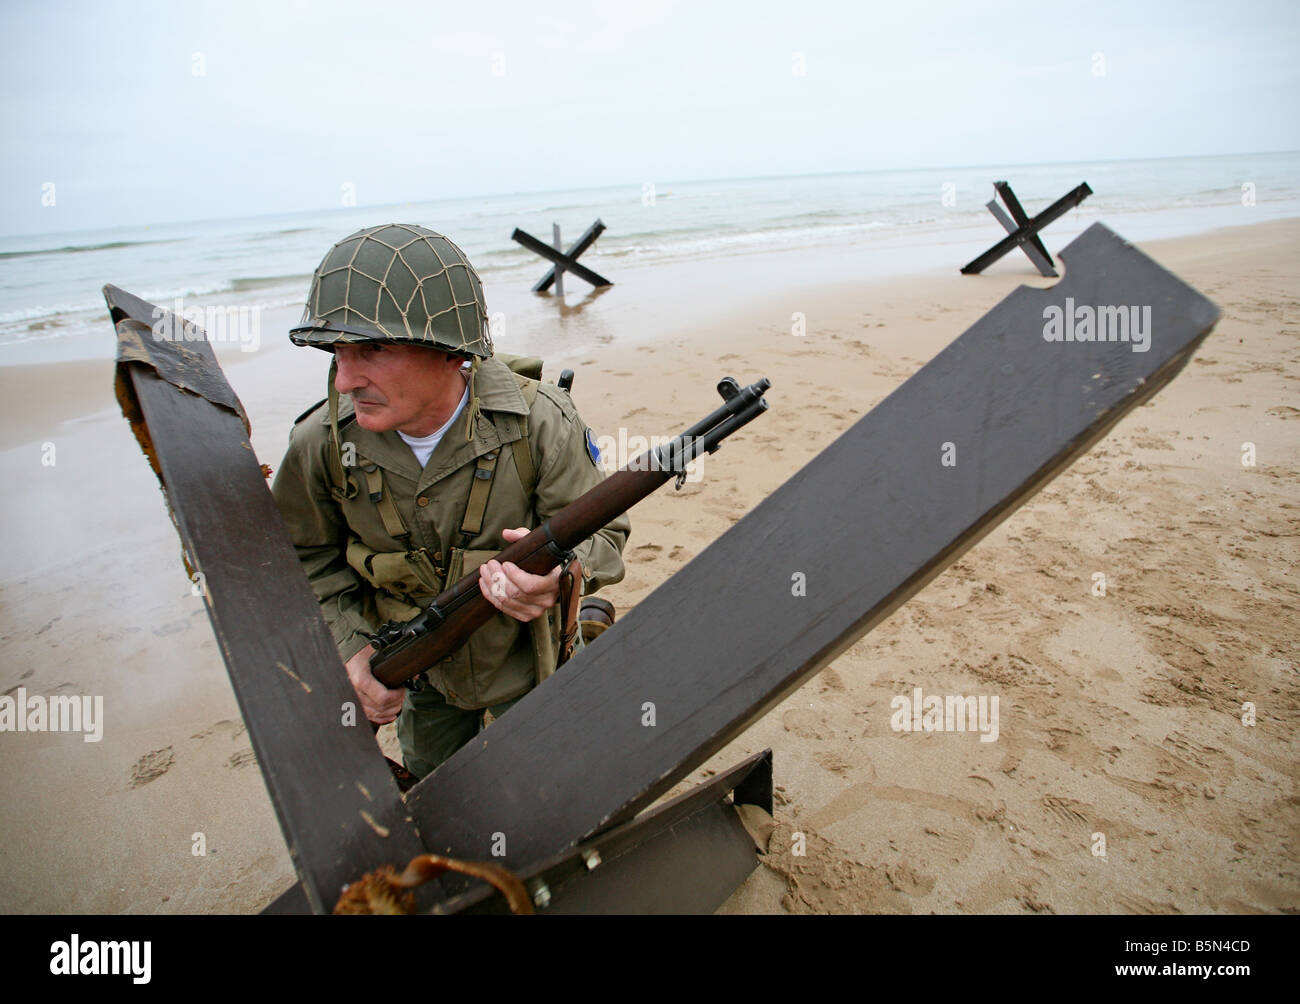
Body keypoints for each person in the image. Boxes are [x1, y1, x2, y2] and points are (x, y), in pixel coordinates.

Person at [271, 224, 628, 779]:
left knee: (559, 782)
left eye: (373, 348)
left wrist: (562, 577)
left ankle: (592, 626)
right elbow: (301, 560)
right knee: (438, 790)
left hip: (531, 658)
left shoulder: (539, 422)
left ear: (449, 351)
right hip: (419, 674)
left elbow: (605, 534)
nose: (344, 380)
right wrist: (350, 649)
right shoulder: (320, 444)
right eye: (337, 352)